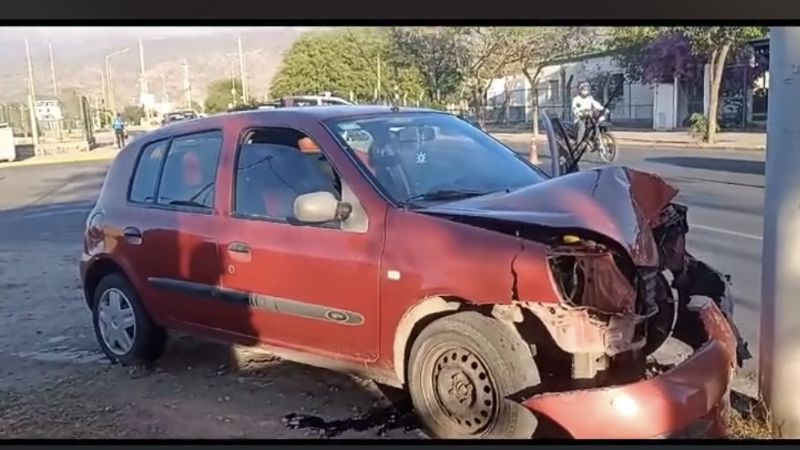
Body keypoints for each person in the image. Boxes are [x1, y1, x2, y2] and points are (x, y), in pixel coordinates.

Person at [571, 82, 605, 149]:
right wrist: (580, 113)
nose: (585, 91)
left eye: (586, 89)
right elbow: (574, 109)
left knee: (596, 124)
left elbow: (596, 104)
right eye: (583, 89)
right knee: (582, 127)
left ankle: (595, 139)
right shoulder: (576, 99)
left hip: (589, 118)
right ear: (580, 90)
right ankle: (579, 145)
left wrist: (603, 108)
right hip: (579, 119)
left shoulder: (590, 98)